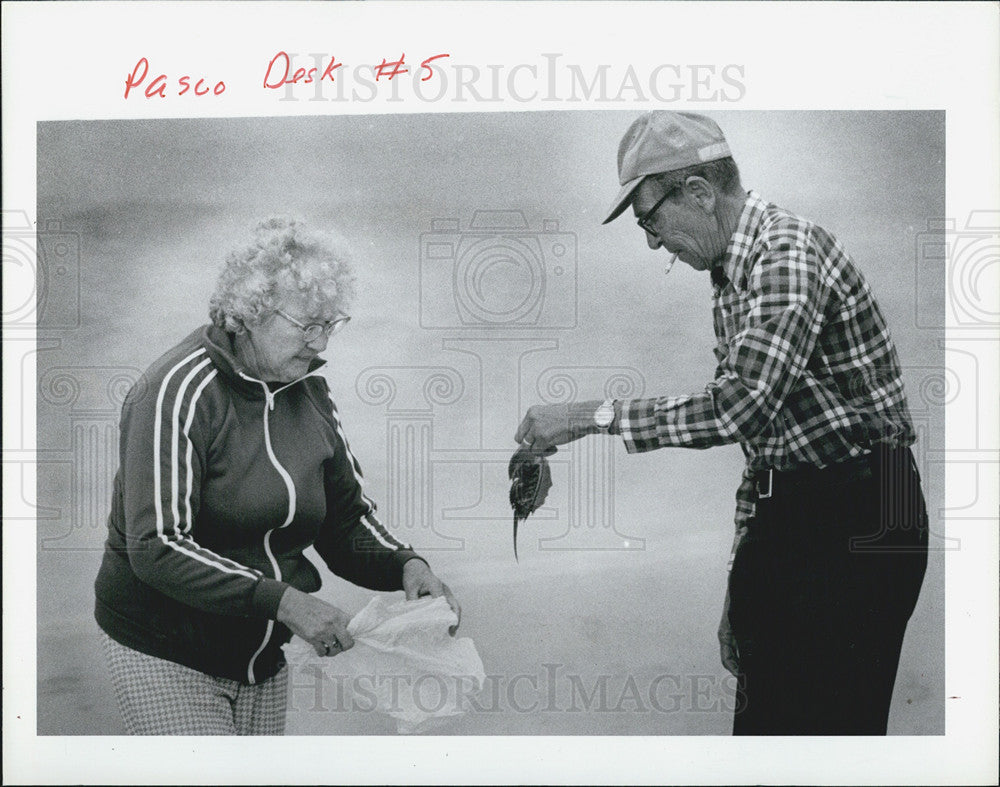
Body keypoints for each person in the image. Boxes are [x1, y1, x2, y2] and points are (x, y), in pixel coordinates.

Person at [515, 112, 928, 735]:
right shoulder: (731, 275)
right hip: (797, 509)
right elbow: (766, 450)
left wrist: (586, 417)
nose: (653, 241)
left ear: (701, 193)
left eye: (650, 220)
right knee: (765, 737)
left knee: (827, 745)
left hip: (870, 509)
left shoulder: (785, 255)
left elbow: (740, 406)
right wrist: (744, 581)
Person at [94, 217, 460, 735]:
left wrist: (405, 565)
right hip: (167, 650)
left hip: (265, 656)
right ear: (250, 312)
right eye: (307, 324)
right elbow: (156, 546)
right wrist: (285, 601)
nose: (321, 341)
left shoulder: (307, 392)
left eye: (331, 324)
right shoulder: (173, 392)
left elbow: (345, 520)